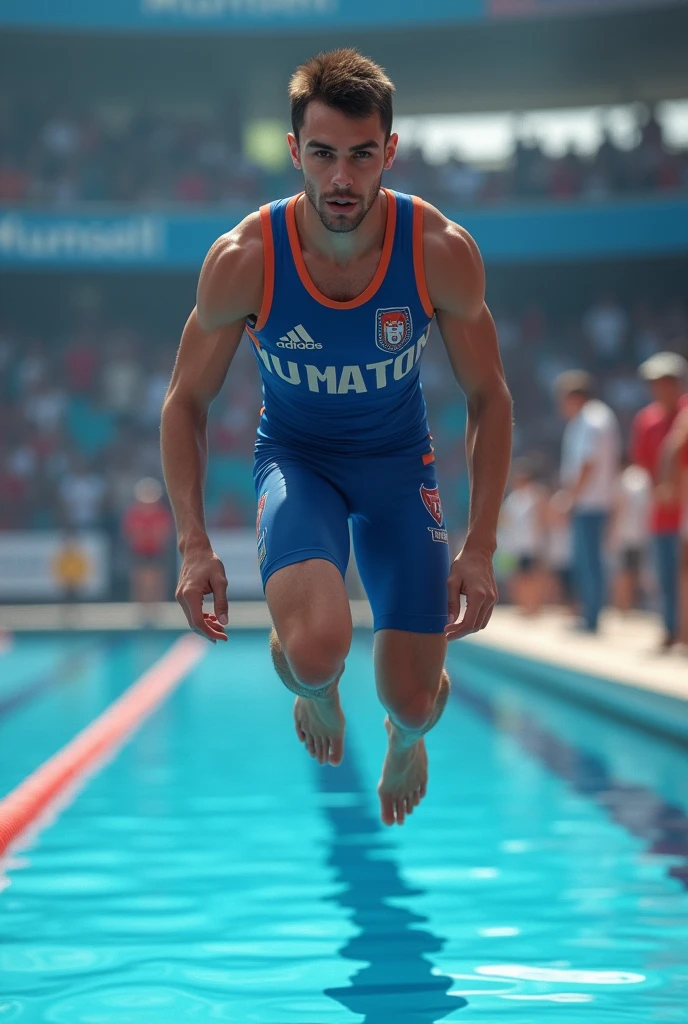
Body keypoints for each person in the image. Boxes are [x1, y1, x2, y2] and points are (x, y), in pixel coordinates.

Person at [161, 49, 512, 828]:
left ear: (390, 149)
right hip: (298, 461)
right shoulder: (244, 260)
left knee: (413, 702)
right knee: (317, 649)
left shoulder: (438, 252)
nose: (342, 179)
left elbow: (490, 395)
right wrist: (192, 544)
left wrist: (481, 547)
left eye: (361, 155)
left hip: (398, 467)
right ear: (295, 153)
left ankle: (405, 738)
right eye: (322, 155)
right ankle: (316, 691)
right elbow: (186, 400)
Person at [555, 370, 621, 633]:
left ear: (574, 396)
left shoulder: (591, 419)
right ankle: (590, 613)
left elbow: (587, 463)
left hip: (589, 502)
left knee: (589, 561)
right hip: (592, 500)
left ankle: (591, 617)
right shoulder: (595, 417)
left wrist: (570, 497)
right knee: (589, 560)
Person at [630, 351, 688, 650]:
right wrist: (659, 494)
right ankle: (669, 629)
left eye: (666, 381)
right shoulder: (646, 421)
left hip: (684, 510)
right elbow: (644, 464)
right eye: (655, 382)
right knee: (666, 573)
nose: (660, 387)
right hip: (662, 512)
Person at [499, 457, 548, 616]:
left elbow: (541, 518)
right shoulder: (513, 498)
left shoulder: (535, 494)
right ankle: (523, 606)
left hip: (531, 544)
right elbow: (505, 519)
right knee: (519, 577)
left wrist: (542, 539)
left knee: (531, 577)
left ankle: (533, 606)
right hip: (516, 544)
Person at [607, 454, 652, 614]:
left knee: (622, 572)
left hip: (624, 534)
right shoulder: (644, 477)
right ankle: (628, 605)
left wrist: (610, 532)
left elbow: (619, 506)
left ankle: (622, 607)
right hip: (642, 533)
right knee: (633, 572)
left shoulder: (622, 480)